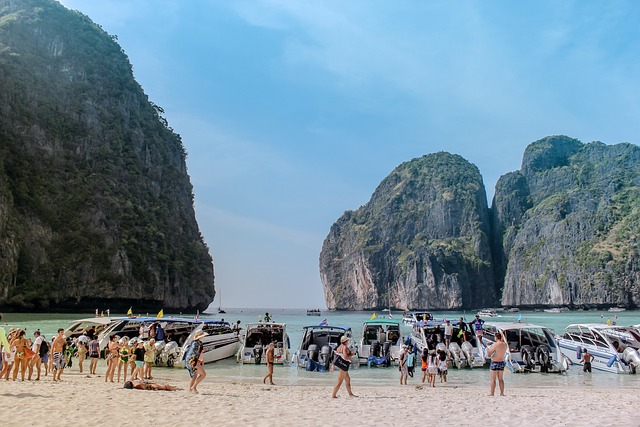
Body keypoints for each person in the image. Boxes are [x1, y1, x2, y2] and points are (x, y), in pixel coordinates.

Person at [486, 331, 507, 396]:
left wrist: (487, 347)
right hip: (501, 362)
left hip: (495, 362)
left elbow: (489, 353)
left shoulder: (495, 344)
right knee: (500, 379)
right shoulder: (504, 344)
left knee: (493, 379)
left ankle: (492, 393)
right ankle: (502, 393)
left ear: (496, 337)